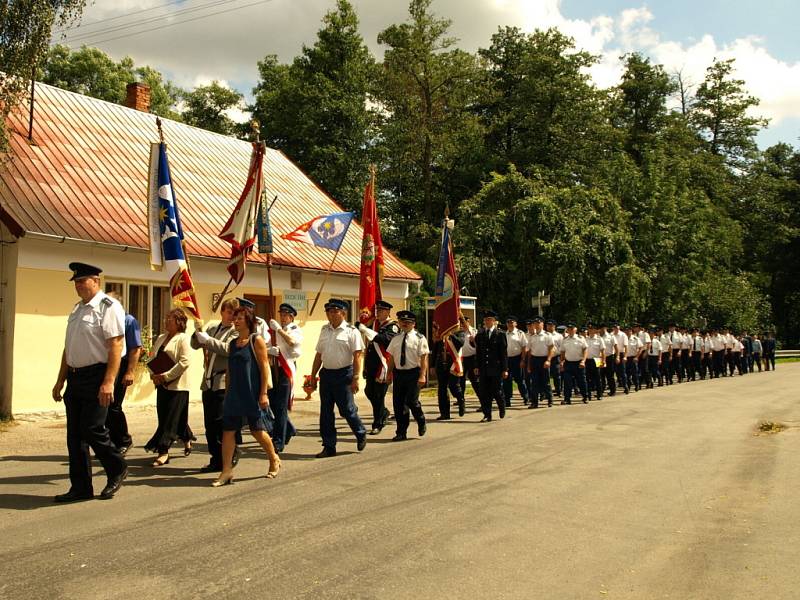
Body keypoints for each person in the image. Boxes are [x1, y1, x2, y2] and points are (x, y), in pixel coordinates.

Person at [51, 262, 128, 502]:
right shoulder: (77, 310)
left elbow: (115, 345)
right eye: (75, 282)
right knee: (75, 436)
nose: (78, 286)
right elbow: (69, 348)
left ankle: (116, 467)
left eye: (82, 281)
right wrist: (60, 379)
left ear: (96, 281)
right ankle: (81, 487)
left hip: (97, 376)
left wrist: (109, 382)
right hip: (75, 377)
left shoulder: (109, 307)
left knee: (93, 428)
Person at [212, 305, 281, 486]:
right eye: (234, 318)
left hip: (252, 393)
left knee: (257, 431)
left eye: (239, 318)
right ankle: (226, 470)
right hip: (234, 394)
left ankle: (273, 458)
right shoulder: (233, 344)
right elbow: (229, 370)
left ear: (248, 321)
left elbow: (265, 367)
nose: (235, 321)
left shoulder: (255, 340)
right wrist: (227, 393)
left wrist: (264, 393)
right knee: (228, 431)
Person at [307, 299, 367, 457]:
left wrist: (356, 377)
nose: (331, 314)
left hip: (344, 375)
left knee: (347, 410)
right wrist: (313, 376)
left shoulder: (351, 331)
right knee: (326, 412)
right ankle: (329, 446)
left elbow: (358, 356)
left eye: (334, 311)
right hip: (327, 375)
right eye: (328, 311)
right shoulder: (324, 330)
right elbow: (319, 355)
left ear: (343, 313)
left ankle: (360, 432)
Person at [191, 297, 242, 473]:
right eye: (228, 313)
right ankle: (215, 458)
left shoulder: (236, 332)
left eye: (234, 314)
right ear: (222, 312)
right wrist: (197, 333)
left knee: (221, 423)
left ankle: (228, 454)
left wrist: (207, 340)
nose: (231, 317)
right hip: (208, 382)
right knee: (209, 425)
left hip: (223, 382)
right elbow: (195, 345)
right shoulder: (213, 328)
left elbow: (229, 349)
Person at [144, 308, 194, 466]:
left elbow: (184, 362)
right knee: (170, 417)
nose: (166, 321)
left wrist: (166, 376)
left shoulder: (183, 339)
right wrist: (152, 374)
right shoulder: (161, 337)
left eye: (169, 319)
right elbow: (152, 356)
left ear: (179, 322)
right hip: (161, 385)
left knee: (169, 420)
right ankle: (186, 437)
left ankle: (163, 451)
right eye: (165, 318)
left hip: (177, 386)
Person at [105, 291, 142, 454]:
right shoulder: (105, 320)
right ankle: (110, 442)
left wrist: (130, 372)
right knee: (104, 405)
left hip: (122, 364)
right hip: (106, 365)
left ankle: (124, 440)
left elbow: (135, 348)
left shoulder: (128, 320)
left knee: (114, 406)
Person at [385, 310, 429, 441]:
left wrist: (422, 376)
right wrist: (388, 373)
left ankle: (420, 420)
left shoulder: (419, 338)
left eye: (407, 322)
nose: (404, 324)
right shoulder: (395, 339)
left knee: (411, 401)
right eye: (402, 322)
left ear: (413, 324)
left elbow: (423, 358)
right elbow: (391, 358)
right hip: (399, 374)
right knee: (398, 405)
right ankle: (401, 432)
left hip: (413, 373)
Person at [358, 300, 399, 434]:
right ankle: (383, 412)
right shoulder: (374, 324)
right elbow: (369, 348)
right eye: (377, 311)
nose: (378, 313)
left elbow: (385, 340)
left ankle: (378, 424)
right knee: (369, 392)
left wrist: (365, 330)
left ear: (387, 312)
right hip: (372, 365)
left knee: (378, 395)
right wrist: (365, 367)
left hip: (384, 365)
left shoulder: (392, 327)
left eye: (381, 311)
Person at [267, 303, 301, 452]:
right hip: (274, 369)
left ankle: (278, 440)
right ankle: (290, 428)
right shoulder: (275, 331)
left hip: (286, 371)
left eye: (285, 314)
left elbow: (292, 343)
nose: (282, 317)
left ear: (292, 316)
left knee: (281, 407)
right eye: (281, 314)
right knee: (273, 405)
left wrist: (278, 330)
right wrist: (270, 350)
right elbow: (266, 346)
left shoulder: (295, 329)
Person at [474, 310, 508, 422]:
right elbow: (478, 352)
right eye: (485, 320)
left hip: (496, 368)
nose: (487, 322)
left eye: (489, 320)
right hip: (484, 368)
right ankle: (487, 414)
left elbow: (503, 354)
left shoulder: (500, 334)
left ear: (494, 321)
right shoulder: (480, 335)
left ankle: (501, 406)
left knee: (496, 391)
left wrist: (504, 369)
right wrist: (476, 366)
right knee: (484, 392)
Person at [431, 321, 466, 419]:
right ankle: (444, 413)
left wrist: (450, 335)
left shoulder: (459, 332)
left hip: (453, 364)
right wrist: (432, 365)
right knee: (442, 390)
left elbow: (460, 343)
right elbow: (436, 349)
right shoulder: (440, 333)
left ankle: (460, 399)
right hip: (441, 364)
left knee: (453, 386)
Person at [525, 316, 554, 408]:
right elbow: (529, 352)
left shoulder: (547, 335)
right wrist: (529, 365)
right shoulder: (532, 337)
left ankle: (550, 400)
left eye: (538, 323)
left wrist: (548, 360)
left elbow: (551, 349)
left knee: (546, 382)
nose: (536, 325)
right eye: (535, 323)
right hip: (534, 360)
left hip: (544, 360)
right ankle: (534, 402)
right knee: (534, 382)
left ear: (542, 324)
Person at [503, 316, 529, 407]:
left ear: (516, 324)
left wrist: (522, 360)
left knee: (520, 380)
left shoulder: (520, 333)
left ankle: (525, 397)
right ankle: (507, 399)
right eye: (508, 322)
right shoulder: (504, 334)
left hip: (517, 358)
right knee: (507, 380)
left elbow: (524, 347)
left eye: (512, 322)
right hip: (507, 359)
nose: (510, 324)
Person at [560, 322, 588, 404]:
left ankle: (585, 396)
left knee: (581, 381)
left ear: (575, 329)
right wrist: (562, 362)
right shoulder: (564, 340)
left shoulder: (580, 338)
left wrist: (583, 361)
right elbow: (562, 351)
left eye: (572, 329)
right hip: (568, 363)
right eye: (568, 329)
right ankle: (567, 398)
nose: (570, 331)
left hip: (579, 363)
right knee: (567, 382)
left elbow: (585, 349)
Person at [459, 316, 480, 402]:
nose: (463, 324)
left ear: (468, 322)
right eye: (462, 323)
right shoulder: (460, 332)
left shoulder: (474, 331)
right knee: (461, 379)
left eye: (464, 322)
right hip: (462, 358)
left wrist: (474, 340)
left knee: (474, 380)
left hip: (472, 358)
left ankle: (482, 399)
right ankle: (461, 399)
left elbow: (479, 346)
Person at [584, 323, 604, 400]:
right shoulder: (585, 339)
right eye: (589, 329)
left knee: (598, 377)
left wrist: (603, 361)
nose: (590, 330)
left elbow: (603, 351)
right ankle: (588, 394)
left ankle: (599, 394)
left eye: (592, 329)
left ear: (595, 330)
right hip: (587, 360)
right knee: (587, 378)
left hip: (597, 359)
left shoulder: (599, 339)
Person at [599, 324, 617, 397]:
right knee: (600, 374)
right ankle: (601, 390)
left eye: (603, 328)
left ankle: (613, 390)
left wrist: (617, 356)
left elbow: (616, 347)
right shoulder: (598, 337)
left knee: (610, 375)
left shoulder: (611, 337)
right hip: (599, 358)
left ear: (605, 328)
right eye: (600, 328)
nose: (601, 330)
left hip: (609, 357)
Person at [546, 320, 564, 397]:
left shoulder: (559, 336)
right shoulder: (544, 335)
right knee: (546, 375)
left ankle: (558, 391)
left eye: (551, 325)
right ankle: (546, 392)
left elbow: (562, 348)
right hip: (545, 357)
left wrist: (561, 360)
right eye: (548, 325)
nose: (549, 327)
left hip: (556, 357)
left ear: (554, 326)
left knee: (556, 375)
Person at [611, 323, 629, 394]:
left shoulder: (623, 335)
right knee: (613, 372)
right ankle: (613, 389)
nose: (616, 329)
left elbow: (626, 346)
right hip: (612, 354)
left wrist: (625, 356)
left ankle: (625, 386)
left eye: (617, 327)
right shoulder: (611, 335)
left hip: (621, 354)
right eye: (614, 327)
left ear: (619, 328)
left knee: (622, 372)